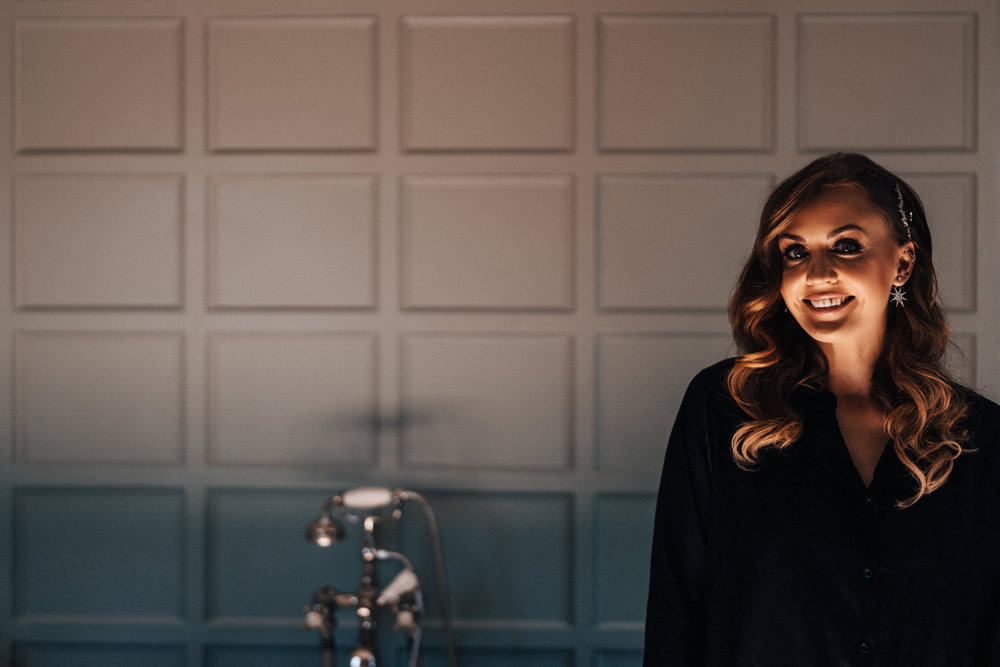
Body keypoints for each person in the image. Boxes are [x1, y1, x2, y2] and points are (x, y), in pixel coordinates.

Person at [643, 153, 1000, 666]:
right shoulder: (723, 407)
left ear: (903, 262)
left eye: (846, 246)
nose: (816, 274)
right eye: (794, 253)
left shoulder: (978, 436)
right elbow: (676, 607)